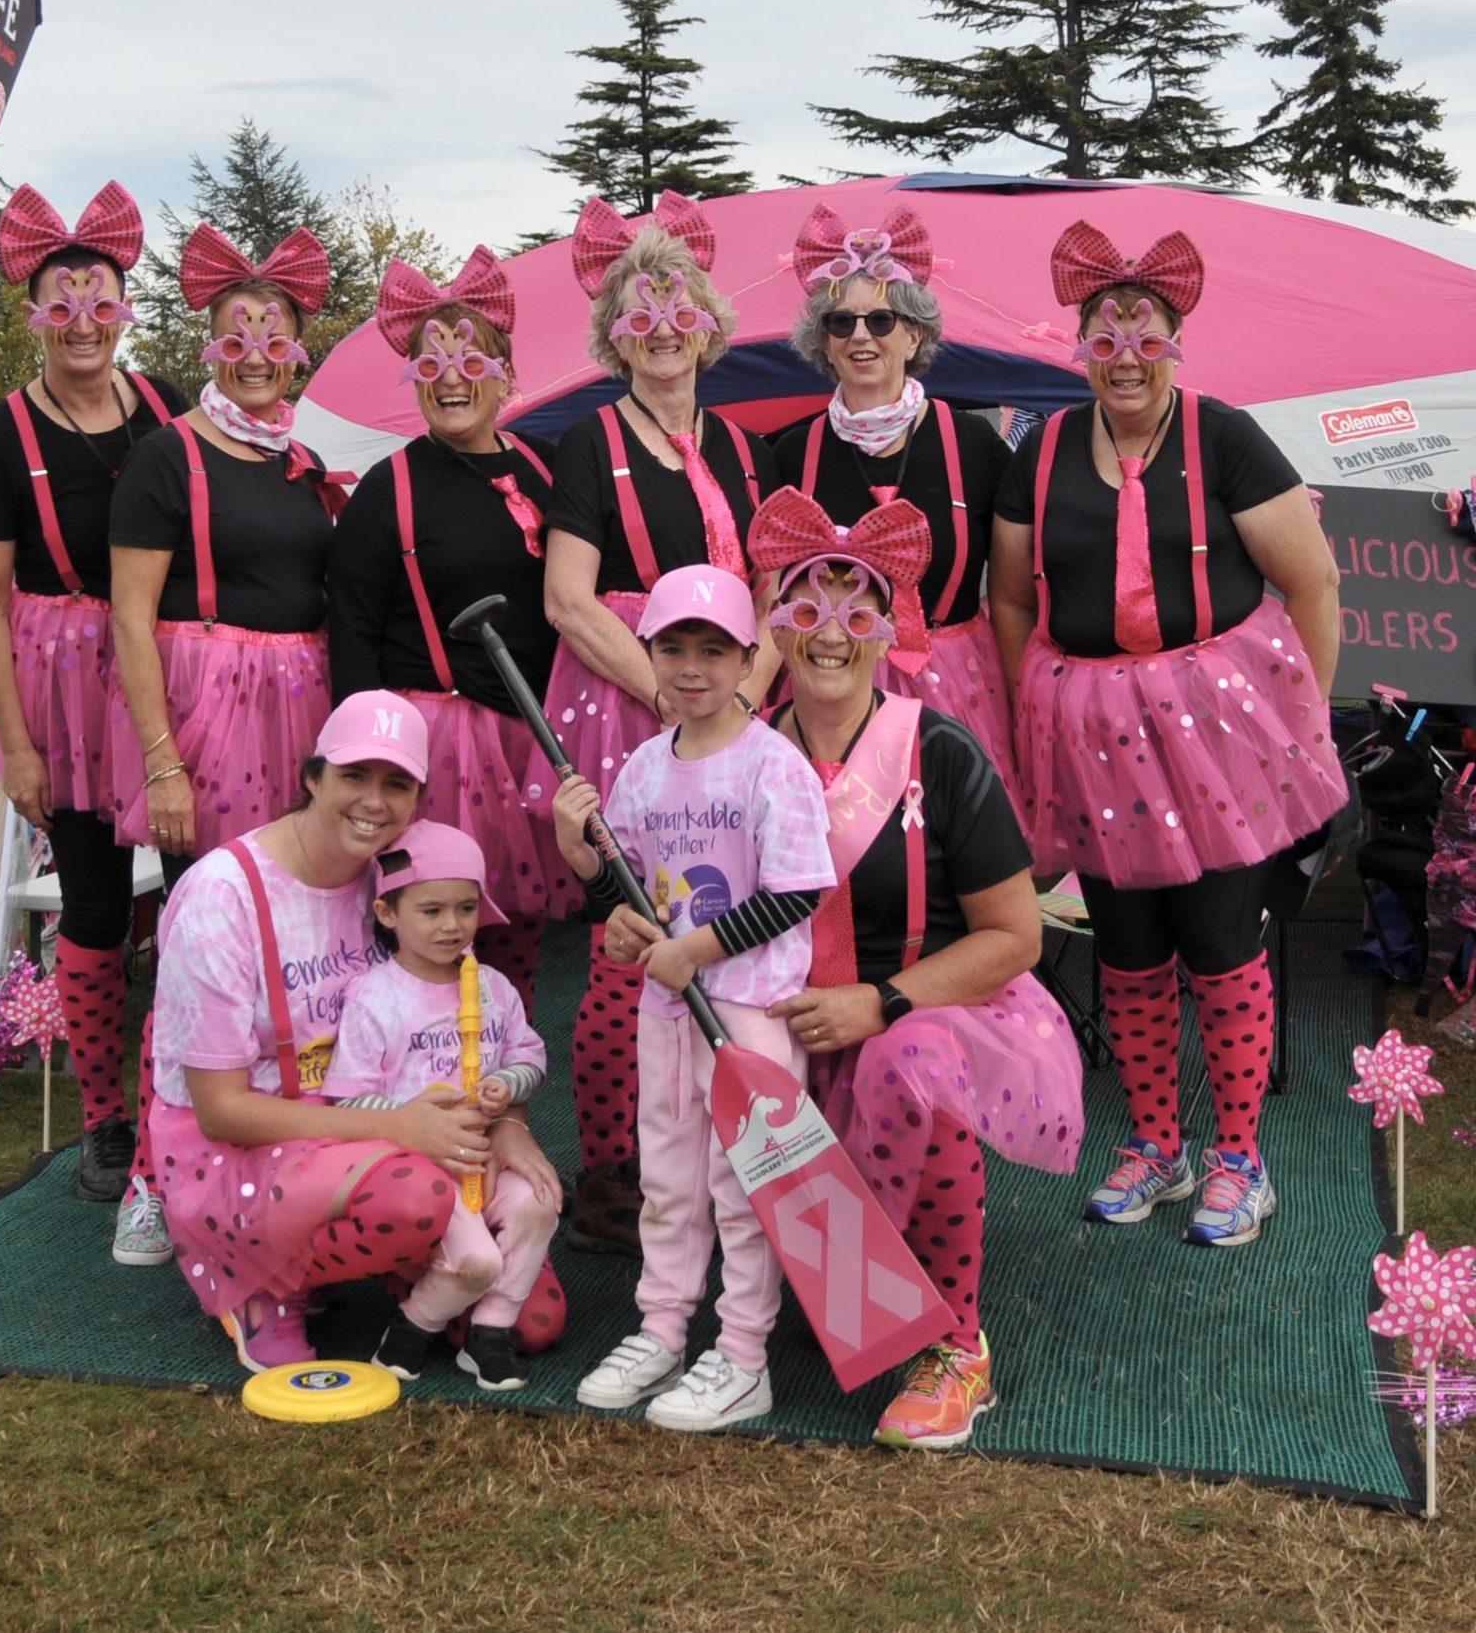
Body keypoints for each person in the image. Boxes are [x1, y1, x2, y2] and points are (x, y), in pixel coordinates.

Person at [989, 222, 1345, 1247]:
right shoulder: (1042, 451)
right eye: (1106, 339)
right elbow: (1010, 599)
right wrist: (1029, 713)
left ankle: (1240, 1157)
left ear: (1175, 346)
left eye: (1146, 340)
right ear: (1080, 348)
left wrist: (1299, 723)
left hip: (1212, 739)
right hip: (1093, 740)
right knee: (1128, 950)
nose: (1127, 359)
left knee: (1222, 944)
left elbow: (1312, 581)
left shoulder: (1224, 437)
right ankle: (1155, 1143)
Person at [746, 487, 1083, 1448]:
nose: (829, 634)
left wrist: (883, 1001)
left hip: (932, 1011)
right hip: (790, 1022)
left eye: (857, 612)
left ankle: (955, 1343)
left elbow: (1014, 936)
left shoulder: (940, 749)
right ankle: (759, 1302)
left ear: (890, 629)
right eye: (807, 608)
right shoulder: (745, 755)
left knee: (911, 1062)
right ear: (776, 622)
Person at [147, 694, 564, 1368]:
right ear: (312, 777)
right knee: (417, 1199)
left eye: (397, 783)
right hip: (249, 1143)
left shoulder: (405, 877)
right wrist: (396, 1128)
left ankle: (389, 1263)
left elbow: (476, 1026)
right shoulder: (222, 897)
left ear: (418, 798)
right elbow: (220, 1111)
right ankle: (265, 1283)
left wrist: (508, 1123)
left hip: (390, 1128)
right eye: (354, 775)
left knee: (532, 1322)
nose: (374, 800)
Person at [536, 192, 779, 1254]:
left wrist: (746, 693)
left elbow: (771, 587)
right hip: (631, 705)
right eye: (643, 314)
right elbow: (568, 597)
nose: (666, 330)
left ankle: (722, 1154)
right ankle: (611, 1172)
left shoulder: (743, 447)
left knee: (728, 927)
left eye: (682, 311)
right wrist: (671, 691)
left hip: (731, 704)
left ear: (710, 325)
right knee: (625, 937)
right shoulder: (588, 444)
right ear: (615, 334)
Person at [0, 180, 188, 1261]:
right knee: (94, 902)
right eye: (64, 305)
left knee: (194, 893)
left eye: (101, 304)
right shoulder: (0, 437)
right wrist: (18, 747)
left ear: (124, 311)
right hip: (61, 693)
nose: (84, 324)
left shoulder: (165, 405)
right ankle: (106, 1118)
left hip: (165, 676)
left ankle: (190, 1090)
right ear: (34, 314)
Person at [551, 565, 834, 1435]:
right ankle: (663, 1329)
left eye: (714, 650)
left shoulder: (773, 764)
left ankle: (743, 1355)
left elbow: (798, 890)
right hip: (669, 1010)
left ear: (750, 658)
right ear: (650, 655)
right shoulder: (642, 768)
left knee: (744, 1185)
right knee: (667, 1178)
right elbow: (628, 899)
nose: (692, 667)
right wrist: (588, 866)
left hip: (749, 1012)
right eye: (673, 648)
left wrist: (693, 949)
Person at [326, 250, 566, 1011]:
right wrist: (367, 769)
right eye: (432, 364)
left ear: (505, 374)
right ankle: (424, 1067)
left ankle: (506, 1057)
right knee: (435, 930)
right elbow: (352, 636)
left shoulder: (545, 468)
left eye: (471, 361)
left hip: (531, 736)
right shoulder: (386, 490)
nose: (452, 378)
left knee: (517, 927)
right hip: (438, 750)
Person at [109, 223, 343, 891]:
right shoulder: (165, 457)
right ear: (212, 348)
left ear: (296, 353)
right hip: (210, 720)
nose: (256, 360)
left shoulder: (303, 460)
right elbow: (130, 620)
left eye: (275, 343)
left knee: (299, 896)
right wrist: (163, 766)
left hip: (299, 709)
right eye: (236, 343)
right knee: (219, 898)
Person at [774, 202, 1018, 789]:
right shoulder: (790, 455)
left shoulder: (974, 445)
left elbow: (1016, 593)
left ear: (913, 336)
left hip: (960, 691)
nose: (861, 335)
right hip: (831, 689)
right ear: (825, 343)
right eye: (842, 323)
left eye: (881, 320)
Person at [325, 821, 560, 1394]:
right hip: (418, 1169)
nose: (452, 925)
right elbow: (347, 1096)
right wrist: (410, 1115)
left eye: (465, 908)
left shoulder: (494, 987)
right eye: (431, 911)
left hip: (485, 1158)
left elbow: (530, 1055)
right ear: (388, 914)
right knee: (478, 1261)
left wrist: (507, 1083)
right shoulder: (374, 996)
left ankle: (491, 1330)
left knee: (541, 1201)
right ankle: (415, 1322)